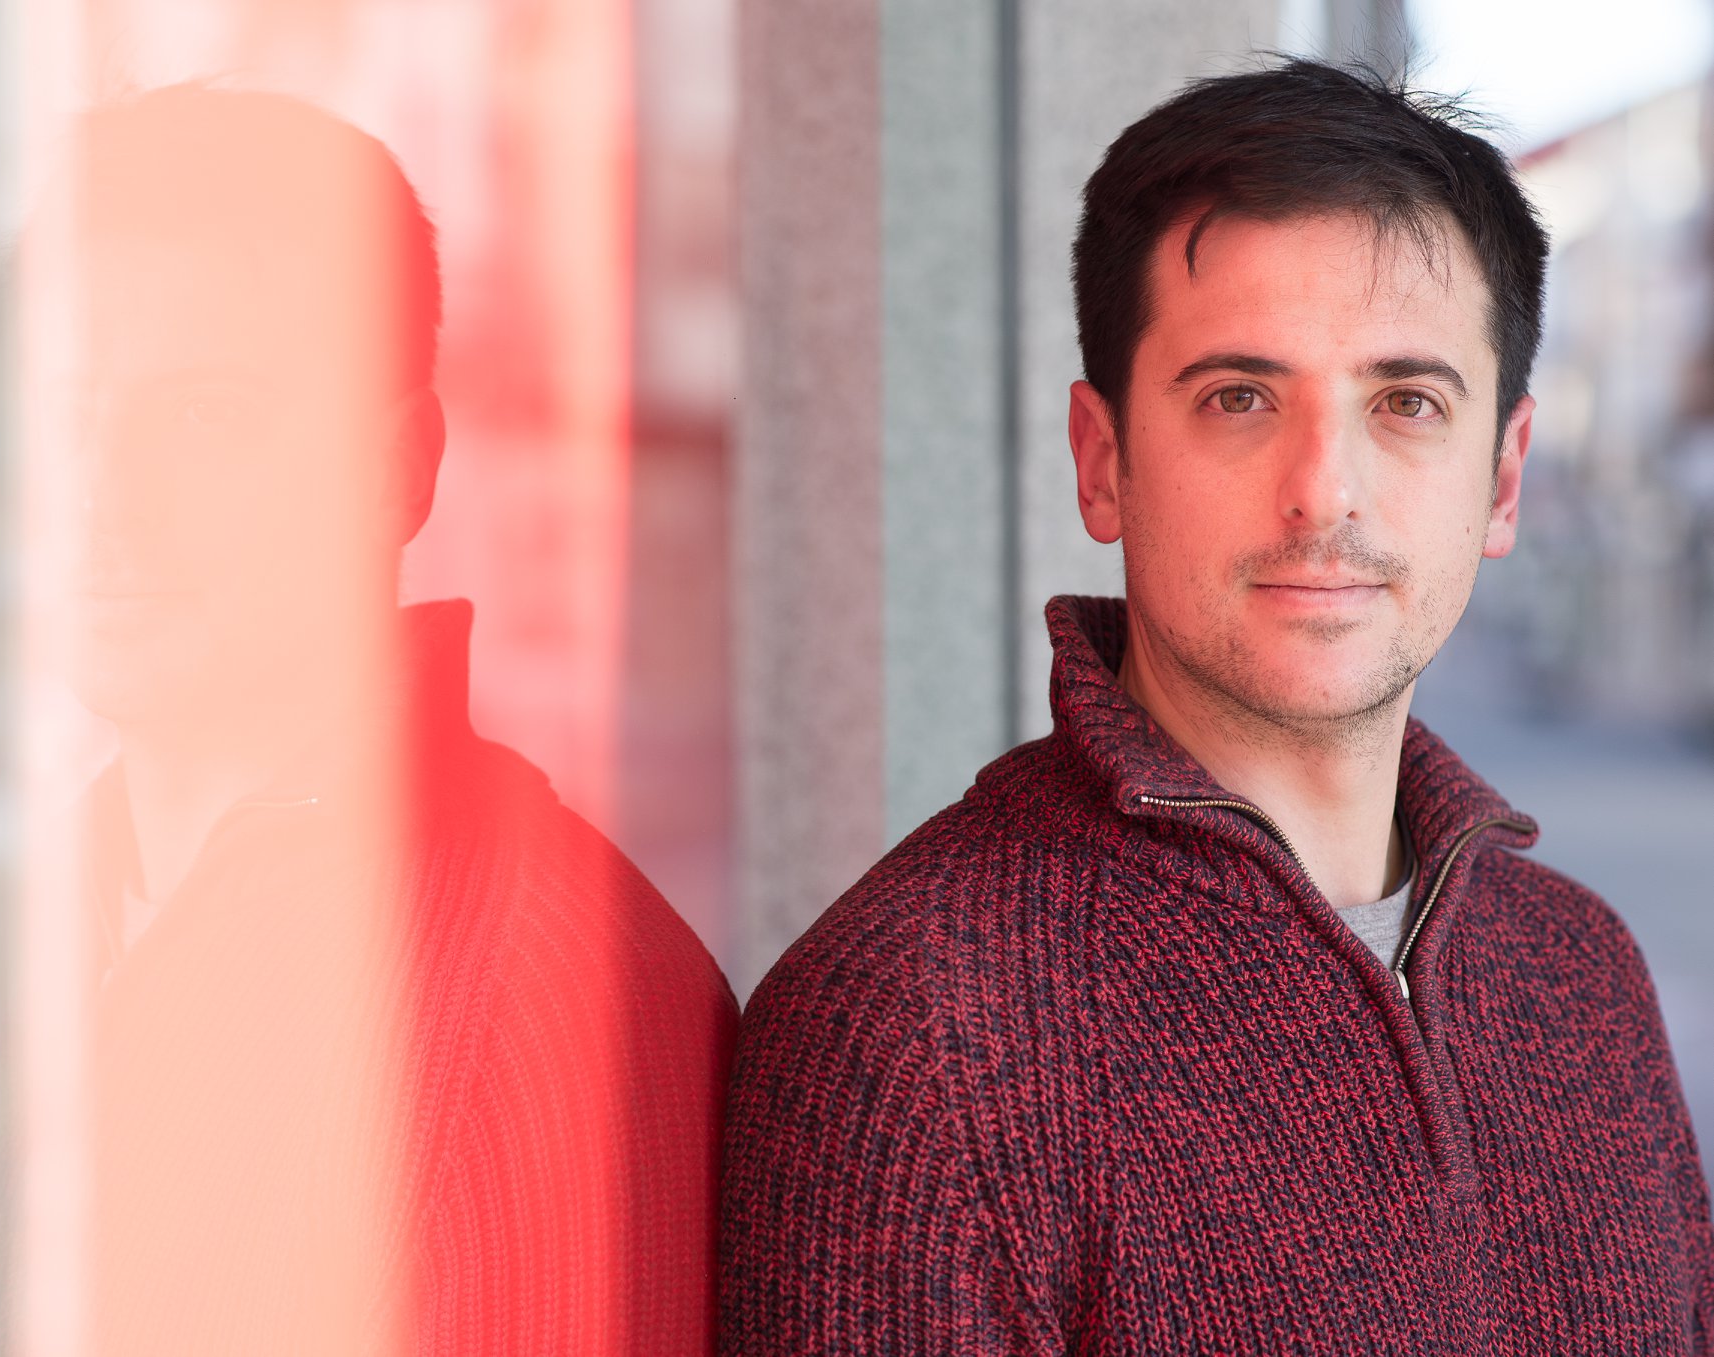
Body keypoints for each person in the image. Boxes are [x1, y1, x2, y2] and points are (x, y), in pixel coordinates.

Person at [719, 58, 1714, 1352]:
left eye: (1405, 403)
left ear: (1502, 479)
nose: (1323, 488)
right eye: (1238, 397)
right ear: (1102, 463)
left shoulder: (1582, 975)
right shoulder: (912, 1031)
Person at [29, 84, 735, 1355]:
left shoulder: (551, 1001)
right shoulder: (19, 926)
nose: (102, 498)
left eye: (204, 415)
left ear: (397, 469)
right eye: (62, 413)